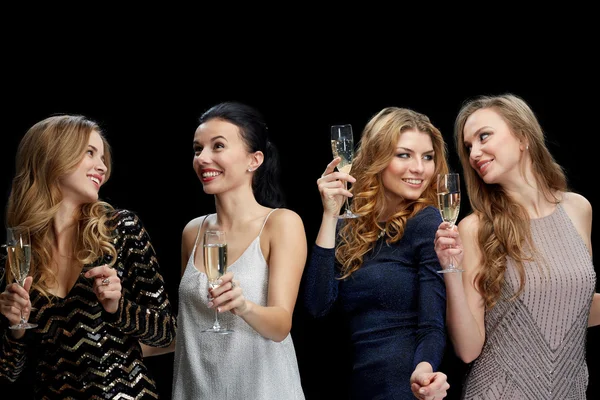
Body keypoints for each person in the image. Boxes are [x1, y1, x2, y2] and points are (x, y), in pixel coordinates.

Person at [434, 93, 600, 399]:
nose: (474, 154)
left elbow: (574, 304)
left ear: (523, 137)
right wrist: (450, 267)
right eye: (469, 147)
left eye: (484, 137)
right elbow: (468, 349)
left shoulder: (578, 209)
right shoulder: (475, 228)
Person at [0, 115, 176, 399]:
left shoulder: (120, 228)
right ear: (53, 156)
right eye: (89, 153)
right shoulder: (21, 252)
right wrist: (15, 329)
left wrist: (119, 307)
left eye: (103, 157)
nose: (102, 167)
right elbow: (9, 373)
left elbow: (167, 333)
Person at [303, 107, 450, 399]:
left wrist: (425, 366)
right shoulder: (352, 229)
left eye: (428, 157)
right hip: (361, 387)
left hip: (408, 387)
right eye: (404, 155)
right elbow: (317, 306)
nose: (419, 168)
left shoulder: (427, 222)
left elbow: (432, 323)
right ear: (377, 159)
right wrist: (330, 216)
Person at [171, 101, 307, 399]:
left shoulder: (281, 223)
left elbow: (280, 325)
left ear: (254, 160)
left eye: (218, 146)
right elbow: (187, 329)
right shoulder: (194, 231)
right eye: (197, 149)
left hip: (264, 390)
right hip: (197, 391)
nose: (203, 158)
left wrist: (243, 305)